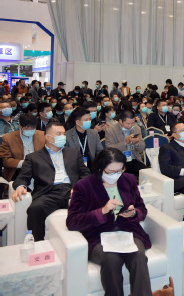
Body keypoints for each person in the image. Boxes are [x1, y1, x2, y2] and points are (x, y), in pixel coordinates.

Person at [66, 148, 156, 296]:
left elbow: (142, 209)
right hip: (98, 236)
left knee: (138, 257)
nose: (116, 175)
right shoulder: (83, 186)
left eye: (120, 170)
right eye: (111, 172)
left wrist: (134, 213)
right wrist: (101, 211)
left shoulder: (128, 180)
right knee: (111, 260)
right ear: (100, 169)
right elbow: (72, 221)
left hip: (128, 232)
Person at [12, 121, 91, 240]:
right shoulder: (33, 157)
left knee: (92, 204)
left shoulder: (74, 154)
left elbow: (86, 174)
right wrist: (21, 186)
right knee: (35, 209)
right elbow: (23, 177)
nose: (63, 137)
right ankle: (37, 244)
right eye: (59, 134)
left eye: (64, 134)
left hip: (71, 191)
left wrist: (78, 187)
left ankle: (88, 242)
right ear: (48, 137)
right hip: (48, 193)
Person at [0, 114, 45, 182]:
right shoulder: (8, 138)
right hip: (18, 171)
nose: (30, 130)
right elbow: (6, 161)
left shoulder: (42, 135)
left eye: (33, 128)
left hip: (39, 169)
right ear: (20, 126)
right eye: (27, 128)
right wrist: (24, 163)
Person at [104, 110, 147, 177]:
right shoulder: (111, 130)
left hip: (134, 159)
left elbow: (142, 147)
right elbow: (109, 149)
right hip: (118, 161)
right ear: (120, 121)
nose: (130, 126)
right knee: (125, 178)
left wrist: (137, 143)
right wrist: (125, 143)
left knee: (147, 174)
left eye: (132, 123)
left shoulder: (136, 128)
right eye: (127, 123)